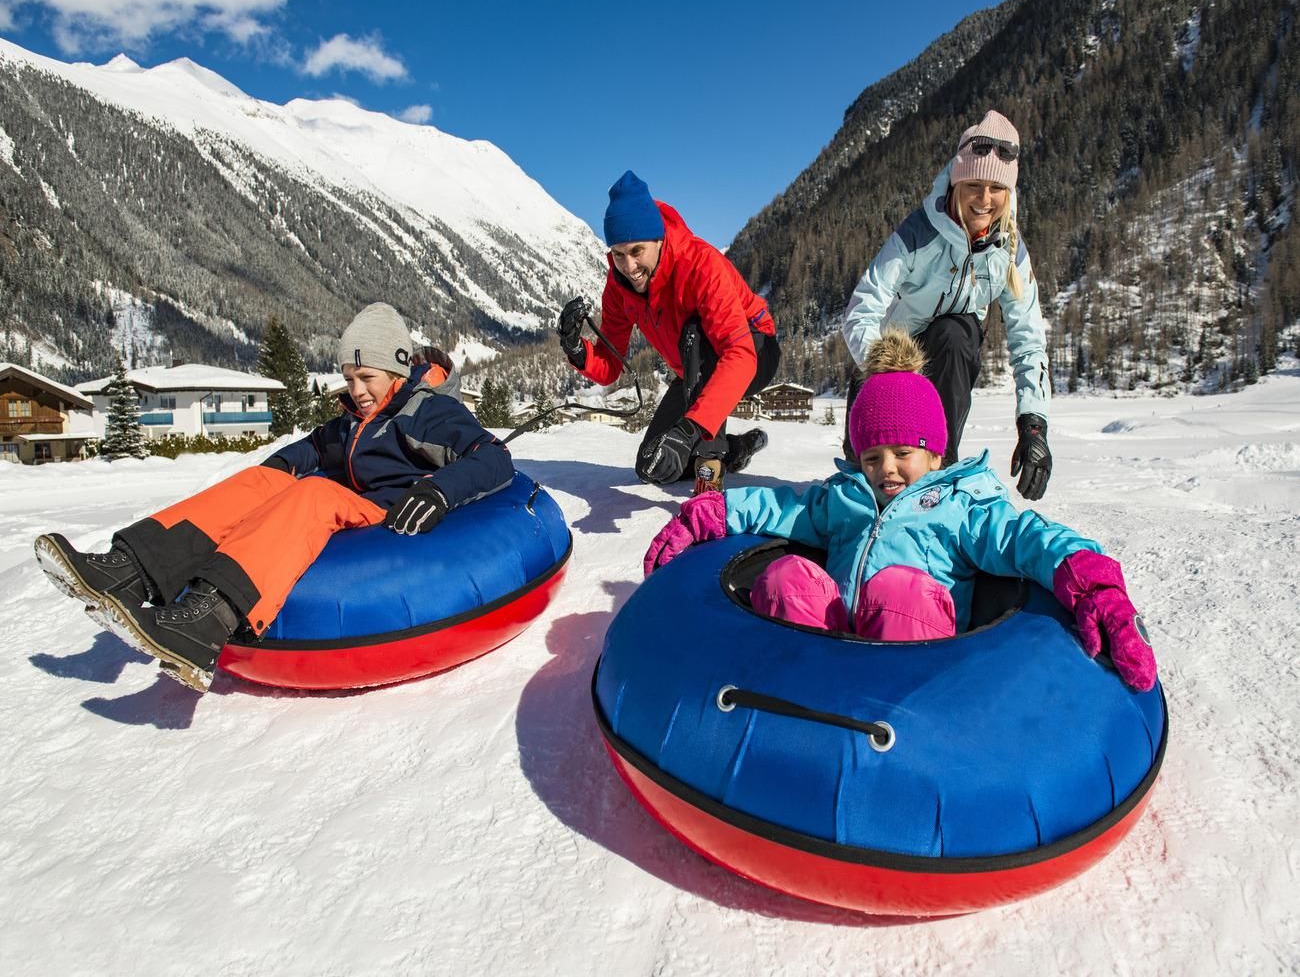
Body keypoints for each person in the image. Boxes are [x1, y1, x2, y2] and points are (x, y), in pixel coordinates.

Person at [34, 302, 514, 693]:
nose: (357, 390)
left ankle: (207, 618)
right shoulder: (353, 420)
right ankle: (129, 570)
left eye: (366, 377)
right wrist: (270, 477)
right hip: (354, 502)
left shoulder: (429, 413)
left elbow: (492, 457)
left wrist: (438, 491)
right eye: (349, 378)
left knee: (313, 494)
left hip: (392, 516)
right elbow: (312, 447)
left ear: (396, 368)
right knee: (261, 481)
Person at [644, 330, 1156, 692]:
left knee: (898, 591)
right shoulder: (844, 498)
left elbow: (1022, 536)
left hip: (915, 670)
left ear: (935, 454)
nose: (886, 469)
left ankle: (879, 707)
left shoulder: (958, 505)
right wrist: (711, 512)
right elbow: (782, 506)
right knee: (788, 577)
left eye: (903, 453)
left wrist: (1089, 579)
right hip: (831, 649)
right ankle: (793, 692)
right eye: (871, 456)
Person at [840, 110, 1053, 500]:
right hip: (888, 364)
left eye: (996, 188)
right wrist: (886, 375)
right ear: (956, 181)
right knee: (864, 479)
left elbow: (1028, 336)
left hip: (948, 359)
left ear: (1009, 192)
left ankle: (939, 475)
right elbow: (862, 309)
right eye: (974, 183)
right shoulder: (917, 233)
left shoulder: (1009, 250)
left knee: (957, 333)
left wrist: (1033, 424)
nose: (985, 199)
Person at [557, 170, 780, 492]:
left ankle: (711, 460)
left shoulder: (701, 264)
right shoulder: (618, 286)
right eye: (618, 254)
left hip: (754, 352)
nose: (629, 267)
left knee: (695, 333)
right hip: (693, 370)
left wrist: (690, 429)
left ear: (658, 240)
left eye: (637, 252)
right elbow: (610, 366)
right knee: (654, 464)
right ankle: (738, 449)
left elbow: (739, 354)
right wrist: (577, 349)